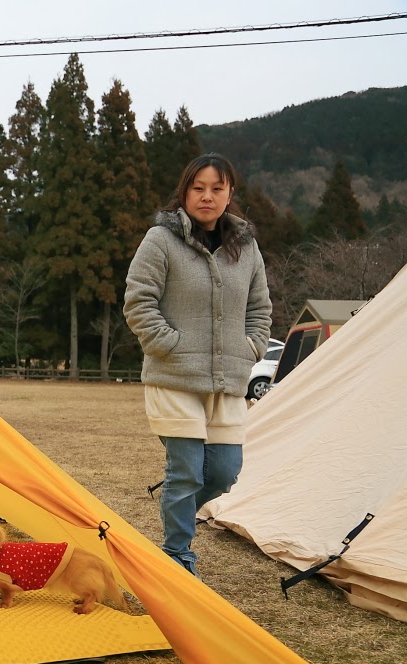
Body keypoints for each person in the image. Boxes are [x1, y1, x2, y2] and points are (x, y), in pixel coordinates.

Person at [124, 153, 272, 577]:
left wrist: (251, 347)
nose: (207, 196)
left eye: (217, 189)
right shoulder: (160, 240)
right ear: (185, 192)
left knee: (224, 473)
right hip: (174, 376)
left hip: (228, 379)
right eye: (198, 188)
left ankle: (176, 517)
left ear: (229, 195)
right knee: (186, 471)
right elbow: (138, 302)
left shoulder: (246, 249)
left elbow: (260, 309)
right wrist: (170, 344)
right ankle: (177, 557)